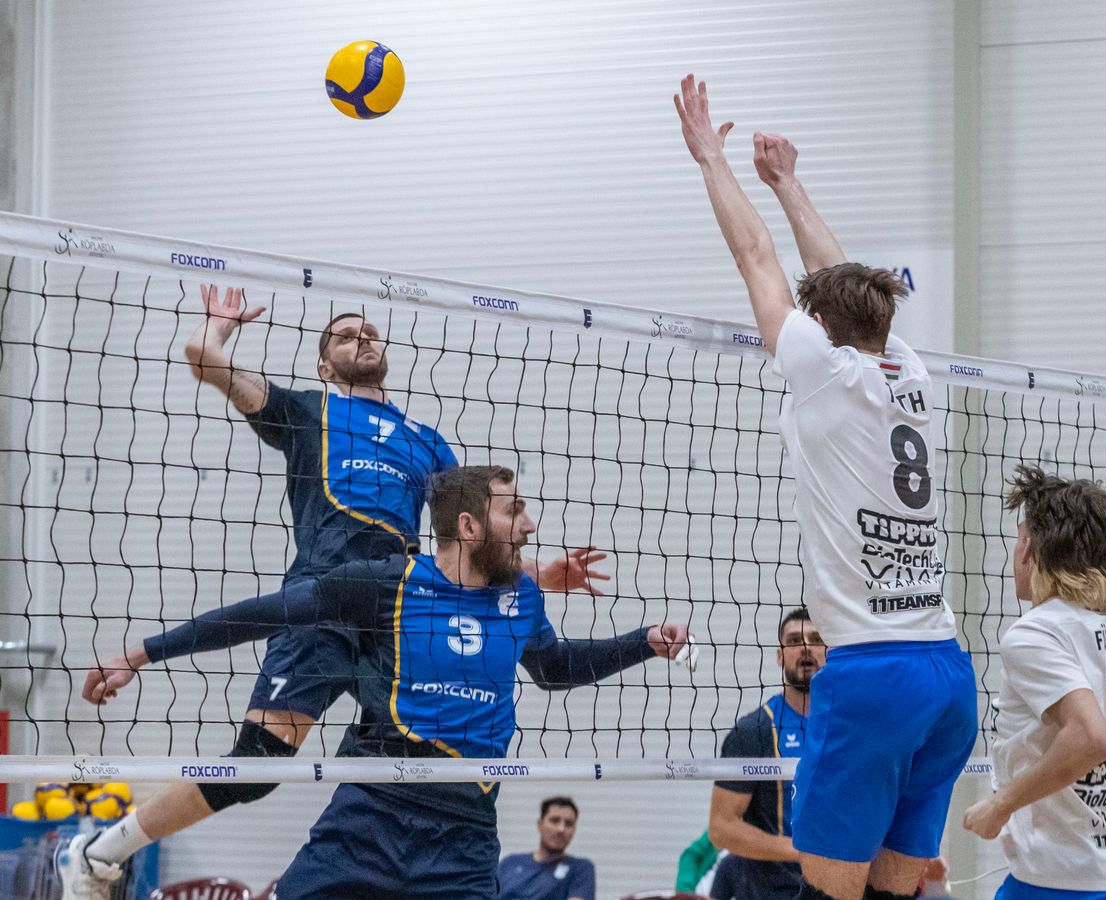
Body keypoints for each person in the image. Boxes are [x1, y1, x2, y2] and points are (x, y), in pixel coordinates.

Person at [56, 287, 608, 897]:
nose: (362, 337)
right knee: (255, 767)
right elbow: (211, 365)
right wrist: (214, 333)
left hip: (395, 617)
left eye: (369, 331)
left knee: (400, 755)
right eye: (344, 336)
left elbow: (467, 540)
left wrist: (537, 573)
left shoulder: (426, 441)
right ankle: (100, 852)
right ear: (324, 365)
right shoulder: (308, 410)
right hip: (326, 606)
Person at [77, 465, 691, 899]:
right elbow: (261, 614)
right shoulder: (386, 584)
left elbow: (553, 669)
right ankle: (99, 853)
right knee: (256, 766)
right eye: (514, 509)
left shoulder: (521, 597)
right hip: (373, 810)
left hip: (465, 832)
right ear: (470, 526)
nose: (530, 525)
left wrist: (642, 642)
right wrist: (143, 653)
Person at [674, 74, 977, 900]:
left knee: (825, 880)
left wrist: (712, 161)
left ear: (820, 328)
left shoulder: (824, 371)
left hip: (873, 673)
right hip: (949, 671)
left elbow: (758, 258)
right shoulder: (909, 369)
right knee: (895, 885)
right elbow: (840, 278)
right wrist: (789, 183)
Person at [963, 465, 1106, 899]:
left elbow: (1093, 739)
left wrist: (1000, 805)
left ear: (1033, 549)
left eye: (1019, 539)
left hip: (1059, 881)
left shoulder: (1036, 632)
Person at [709, 607, 827, 898]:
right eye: (794, 641)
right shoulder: (754, 730)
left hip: (841, 886)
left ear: (830, 652)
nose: (805, 648)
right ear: (779, 656)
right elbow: (721, 828)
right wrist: (799, 851)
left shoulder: (850, 729)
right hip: (776, 890)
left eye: (815, 639)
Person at [497, 796, 596, 900]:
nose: (561, 829)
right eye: (554, 821)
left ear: (574, 830)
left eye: (569, 824)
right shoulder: (509, 863)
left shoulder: (580, 869)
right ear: (540, 824)